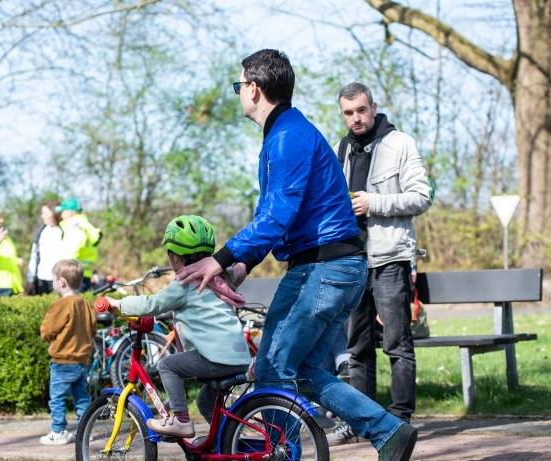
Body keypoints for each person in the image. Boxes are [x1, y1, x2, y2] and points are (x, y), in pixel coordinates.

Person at [175, 50, 417, 460]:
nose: (239, 95)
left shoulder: (288, 138)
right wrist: (240, 265)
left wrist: (219, 258)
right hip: (333, 267)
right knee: (305, 370)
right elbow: (276, 217)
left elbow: (276, 215)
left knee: (272, 369)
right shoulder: (286, 133)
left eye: (239, 87)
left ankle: (280, 453)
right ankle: (388, 431)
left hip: (323, 269)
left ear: (254, 88)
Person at [97, 215, 251, 438]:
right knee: (205, 401)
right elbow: (239, 271)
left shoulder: (184, 283)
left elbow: (153, 303)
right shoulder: (220, 278)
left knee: (168, 365)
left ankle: (181, 421)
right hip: (239, 357)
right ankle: (227, 442)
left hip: (217, 357)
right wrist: (246, 259)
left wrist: (116, 304)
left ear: (176, 257)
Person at [335, 82, 431, 429]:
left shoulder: (401, 143)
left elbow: (422, 197)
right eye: (348, 113)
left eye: (361, 110)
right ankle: (363, 421)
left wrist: (374, 202)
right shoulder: (342, 148)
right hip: (351, 261)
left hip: (390, 258)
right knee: (357, 349)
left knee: (397, 344)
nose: (356, 118)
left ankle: (400, 419)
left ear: (373, 107)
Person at [39, 259, 95, 445]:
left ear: (61, 282)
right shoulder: (85, 304)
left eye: (54, 279)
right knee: (82, 398)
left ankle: (58, 432)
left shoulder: (60, 305)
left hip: (62, 361)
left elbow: (48, 330)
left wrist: (46, 335)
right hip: (82, 361)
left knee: (57, 399)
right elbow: (92, 329)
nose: (53, 282)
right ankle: (85, 430)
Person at [57, 198, 102, 291]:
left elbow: (73, 248)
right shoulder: (85, 224)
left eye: (63, 211)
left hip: (73, 273)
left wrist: (64, 269)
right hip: (84, 273)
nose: (61, 214)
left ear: (70, 212)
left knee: (71, 303)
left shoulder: (75, 225)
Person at [26, 200, 65, 295]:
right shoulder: (41, 232)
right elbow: (34, 255)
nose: (42, 216)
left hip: (57, 279)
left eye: (45, 213)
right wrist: (30, 278)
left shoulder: (63, 231)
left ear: (54, 213)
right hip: (40, 278)